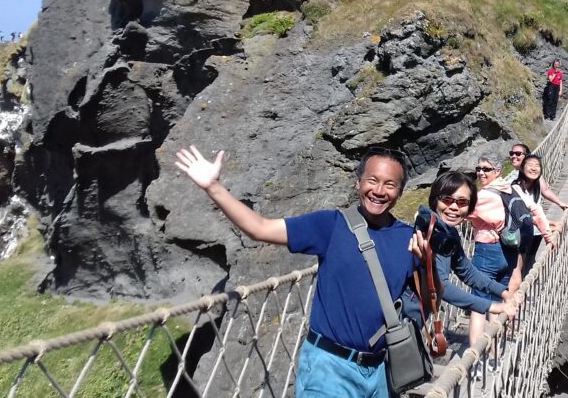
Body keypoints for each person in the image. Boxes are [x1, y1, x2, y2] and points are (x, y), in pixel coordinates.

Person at [175, 145, 424, 398]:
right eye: (372, 181)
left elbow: (428, 302)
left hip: (383, 371)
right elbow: (260, 228)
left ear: (400, 191)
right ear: (357, 182)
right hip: (329, 369)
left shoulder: (409, 239)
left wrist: (427, 260)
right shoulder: (331, 225)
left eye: (390, 184)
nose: (379, 191)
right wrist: (213, 187)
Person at [402, 172, 516, 326]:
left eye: (462, 202)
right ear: (435, 200)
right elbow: (442, 287)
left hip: (413, 318)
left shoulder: (448, 232)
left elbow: (466, 271)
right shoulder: (431, 234)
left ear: (470, 207)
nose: (454, 207)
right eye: (447, 199)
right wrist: (492, 305)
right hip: (400, 320)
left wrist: (503, 292)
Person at [466, 154, 522, 350]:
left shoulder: (484, 195)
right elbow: (530, 210)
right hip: (508, 253)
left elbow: (464, 212)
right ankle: (495, 348)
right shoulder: (511, 190)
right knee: (498, 299)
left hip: (487, 253)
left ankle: (475, 353)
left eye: (486, 169)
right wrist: (548, 234)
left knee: (479, 303)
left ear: (497, 171)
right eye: (479, 168)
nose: (480, 172)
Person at [510, 154, 561, 272]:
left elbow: (536, 211)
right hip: (517, 237)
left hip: (530, 233)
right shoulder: (515, 188)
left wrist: (549, 224)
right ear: (522, 168)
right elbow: (534, 212)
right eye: (530, 165)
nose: (534, 168)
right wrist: (548, 235)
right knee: (517, 268)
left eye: (537, 166)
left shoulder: (534, 187)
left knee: (528, 263)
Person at [502, 143, 568, 213]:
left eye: (518, 154)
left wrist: (559, 203)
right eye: (511, 153)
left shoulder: (533, 174)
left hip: (528, 215)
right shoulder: (511, 175)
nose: (513, 156)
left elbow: (545, 191)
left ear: (526, 156)